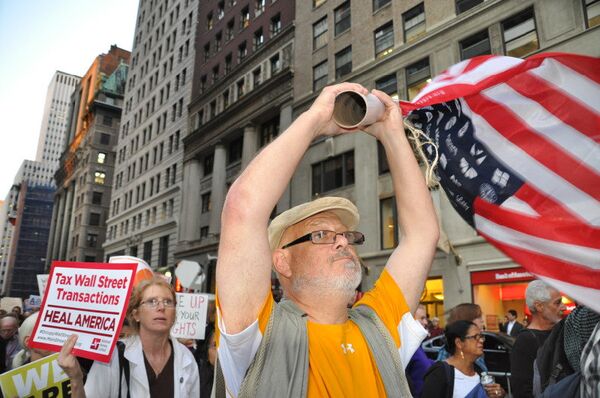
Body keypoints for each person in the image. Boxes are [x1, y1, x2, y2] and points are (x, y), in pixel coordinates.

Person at [216, 83, 439, 397]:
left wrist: (392, 134)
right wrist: (315, 120)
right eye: (321, 234)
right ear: (282, 261)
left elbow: (422, 235)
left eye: (345, 235)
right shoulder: (259, 333)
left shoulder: (379, 325)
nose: (342, 243)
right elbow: (243, 209)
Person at [58, 275, 200, 397]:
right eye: (151, 301)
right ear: (136, 314)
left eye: (168, 302)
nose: (161, 307)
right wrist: (76, 379)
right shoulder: (113, 356)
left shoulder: (186, 358)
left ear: (174, 313)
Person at [510, 280, 565, 398]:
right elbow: (521, 391)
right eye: (557, 303)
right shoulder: (525, 341)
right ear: (539, 306)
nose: (564, 307)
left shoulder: (562, 331)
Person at [422, 320, 506, 398]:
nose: (481, 340)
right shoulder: (440, 372)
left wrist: (498, 394)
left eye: (481, 336)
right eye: (476, 337)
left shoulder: (479, 370)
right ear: (459, 343)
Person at [437, 303, 488, 372]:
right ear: (467, 320)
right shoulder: (448, 351)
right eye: (479, 317)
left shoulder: (475, 346)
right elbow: (440, 376)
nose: (482, 320)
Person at [407, 304, 435, 397]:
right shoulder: (407, 346)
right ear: (411, 320)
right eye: (422, 318)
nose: (426, 322)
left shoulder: (416, 345)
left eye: (426, 318)